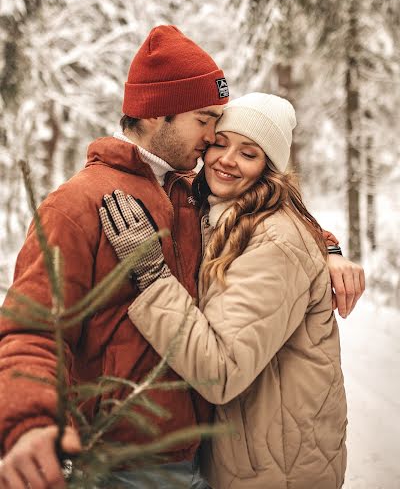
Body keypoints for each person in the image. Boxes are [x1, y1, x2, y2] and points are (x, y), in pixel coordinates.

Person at [0, 24, 361, 489]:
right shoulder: (76, 206)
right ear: (157, 114)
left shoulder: (188, 191)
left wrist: (326, 247)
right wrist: (30, 422)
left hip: (197, 458)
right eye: (206, 118)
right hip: (119, 462)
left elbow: (268, 214)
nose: (214, 137)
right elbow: (32, 330)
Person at [101, 92, 350, 489]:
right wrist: (330, 246)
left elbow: (220, 371)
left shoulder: (273, 241)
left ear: (269, 170)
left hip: (276, 470)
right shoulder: (224, 214)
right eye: (220, 143)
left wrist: (150, 275)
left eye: (248, 153)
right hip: (250, 455)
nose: (226, 159)